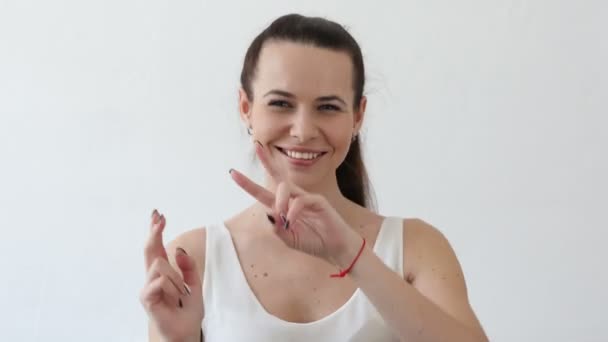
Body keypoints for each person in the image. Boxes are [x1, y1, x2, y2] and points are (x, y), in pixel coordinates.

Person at [139, 13, 488, 342]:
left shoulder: (416, 248)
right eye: (280, 103)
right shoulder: (194, 258)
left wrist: (351, 253)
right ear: (246, 107)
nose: (303, 131)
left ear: (357, 116)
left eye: (328, 107)